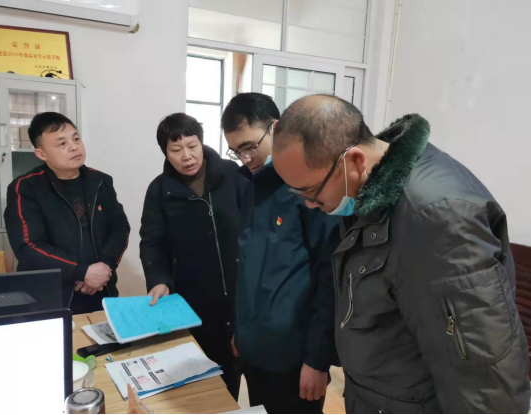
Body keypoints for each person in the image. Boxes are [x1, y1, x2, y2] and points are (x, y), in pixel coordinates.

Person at [272, 95, 531, 414]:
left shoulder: (437, 218)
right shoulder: (368, 193)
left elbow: (483, 374)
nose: (309, 204)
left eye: (311, 191)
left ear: (354, 160)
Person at [222, 93, 340, 414]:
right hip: (254, 352)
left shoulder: (309, 185)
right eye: (236, 151)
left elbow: (329, 275)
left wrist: (317, 359)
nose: (245, 158)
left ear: (275, 128)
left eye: (249, 146)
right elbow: (248, 267)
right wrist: (241, 331)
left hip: (295, 359)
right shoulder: (252, 185)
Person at [140, 113, 247, 401]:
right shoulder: (160, 190)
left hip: (242, 294)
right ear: (166, 152)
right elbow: (152, 241)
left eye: (192, 146)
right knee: (209, 382)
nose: (187, 156)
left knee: (247, 372)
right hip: (195, 300)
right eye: (176, 150)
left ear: (201, 142)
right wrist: (158, 279)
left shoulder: (232, 175)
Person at [5, 112, 130, 315]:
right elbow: (28, 246)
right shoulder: (26, 187)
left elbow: (119, 229)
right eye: (62, 143)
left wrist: (103, 268)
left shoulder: (101, 181)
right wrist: (81, 272)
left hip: (101, 290)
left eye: (76, 139)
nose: (74, 147)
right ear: (41, 154)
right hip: (51, 296)